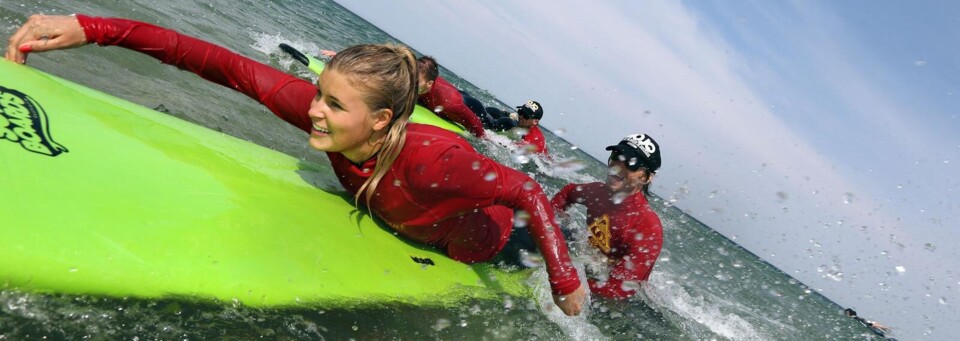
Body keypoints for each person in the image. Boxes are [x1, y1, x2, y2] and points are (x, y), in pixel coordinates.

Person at [7, 14, 586, 315]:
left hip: (491, 246)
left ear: (381, 121)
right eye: (318, 94)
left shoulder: (436, 161)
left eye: (335, 104)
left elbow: (527, 193)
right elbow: (214, 61)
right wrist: (94, 28)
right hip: (401, 217)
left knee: (535, 249)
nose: (314, 111)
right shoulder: (324, 120)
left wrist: (564, 283)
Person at [550, 133, 663, 299]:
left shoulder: (647, 226)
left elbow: (619, 290)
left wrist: (566, 280)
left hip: (619, 301)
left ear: (646, 177)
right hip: (590, 264)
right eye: (617, 156)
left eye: (630, 163)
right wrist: (551, 219)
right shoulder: (597, 192)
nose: (618, 166)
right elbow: (568, 192)